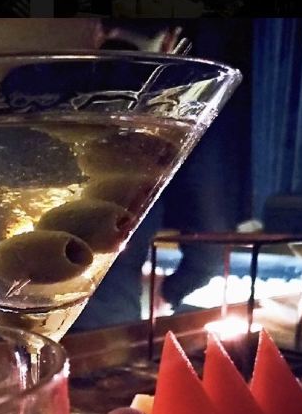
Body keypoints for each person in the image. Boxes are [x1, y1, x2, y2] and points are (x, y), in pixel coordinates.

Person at [69, 17, 252, 331]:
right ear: (171, 39)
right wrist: (172, 291)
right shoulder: (179, 106)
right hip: (103, 332)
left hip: (5, 322)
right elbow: (210, 242)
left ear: (97, 30)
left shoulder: (29, 84)